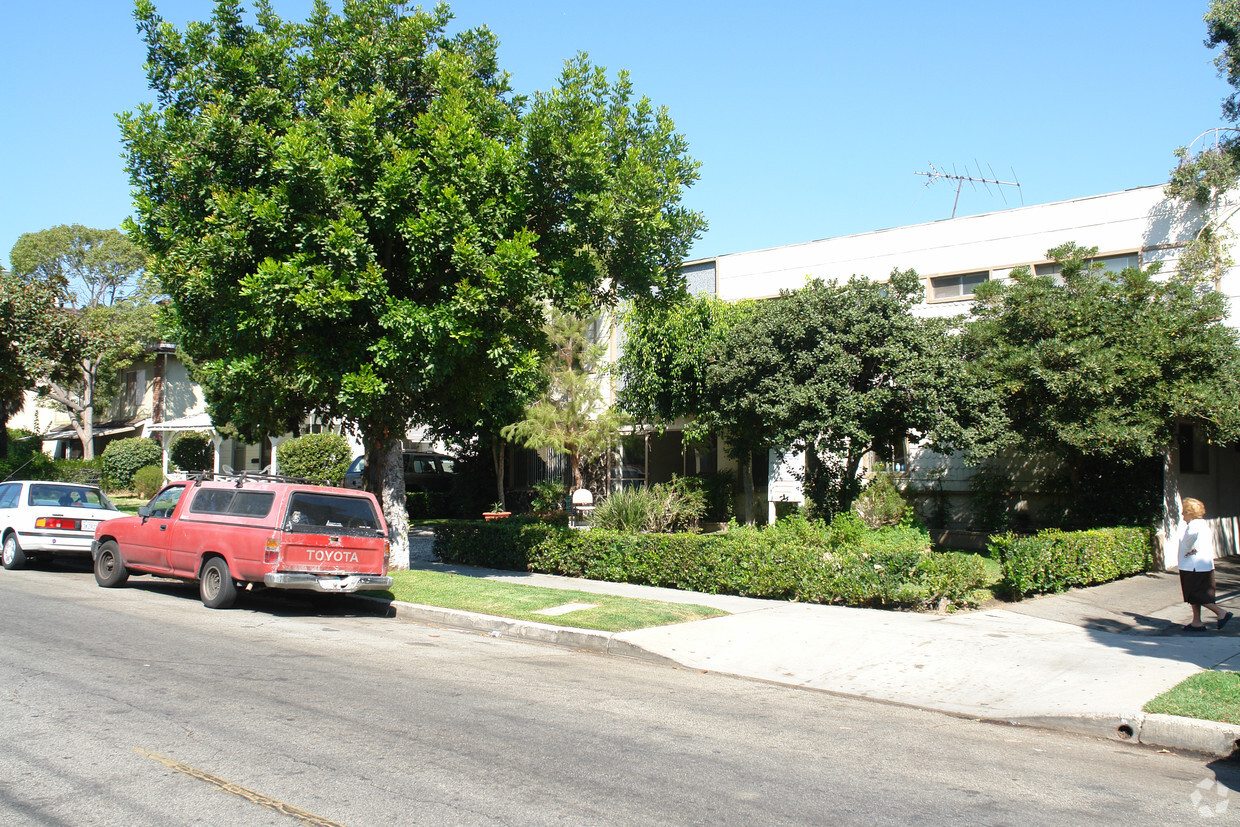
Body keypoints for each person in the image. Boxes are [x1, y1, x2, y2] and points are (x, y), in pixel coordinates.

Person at [1177, 498, 1233, 632]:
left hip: (1193, 566)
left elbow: (1187, 543)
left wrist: (1185, 549)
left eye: (1184, 512)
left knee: (1197, 594)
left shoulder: (1193, 526)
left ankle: (1221, 613)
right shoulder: (1202, 524)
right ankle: (1197, 621)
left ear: (1190, 512)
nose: (1182, 515)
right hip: (1202, 566)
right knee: (1194, 595)